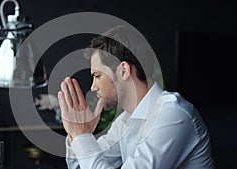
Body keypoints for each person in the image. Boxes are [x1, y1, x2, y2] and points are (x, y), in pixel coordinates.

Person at [58, 25, 215, 169]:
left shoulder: (172, 114)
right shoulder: (125, 121)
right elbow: (79, 166)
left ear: (124, 71)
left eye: (97, 75)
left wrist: (82, 135)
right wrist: (77, 135)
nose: (93, 87)